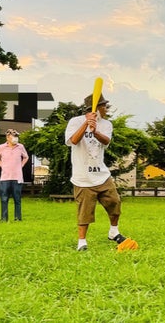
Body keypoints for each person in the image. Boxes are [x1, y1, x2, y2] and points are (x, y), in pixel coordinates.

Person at [65, 93, 128, 251]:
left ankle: (114, 232)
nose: (106, 109)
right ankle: (82, 242)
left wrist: (94, 131)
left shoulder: (107, 124)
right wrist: (86, 124)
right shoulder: (75, 121)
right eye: (104, 106)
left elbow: (106, 141)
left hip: (102, 174)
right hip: (83, 177)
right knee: (85, 211)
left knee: (114, 202)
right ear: (96, 108)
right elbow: (73, 140)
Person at [0, 128, 29, 222]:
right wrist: (1, 164)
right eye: (14, 136)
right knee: (4, 199)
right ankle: (4, 218)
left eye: (16, 136)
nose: (16, 138)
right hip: (5, 178)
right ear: (8, 137)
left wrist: (21, 165)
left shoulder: (20, 147)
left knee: (17, 199)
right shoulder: (2, 147)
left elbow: (26, 157)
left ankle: (18, 218)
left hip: (17, 177)